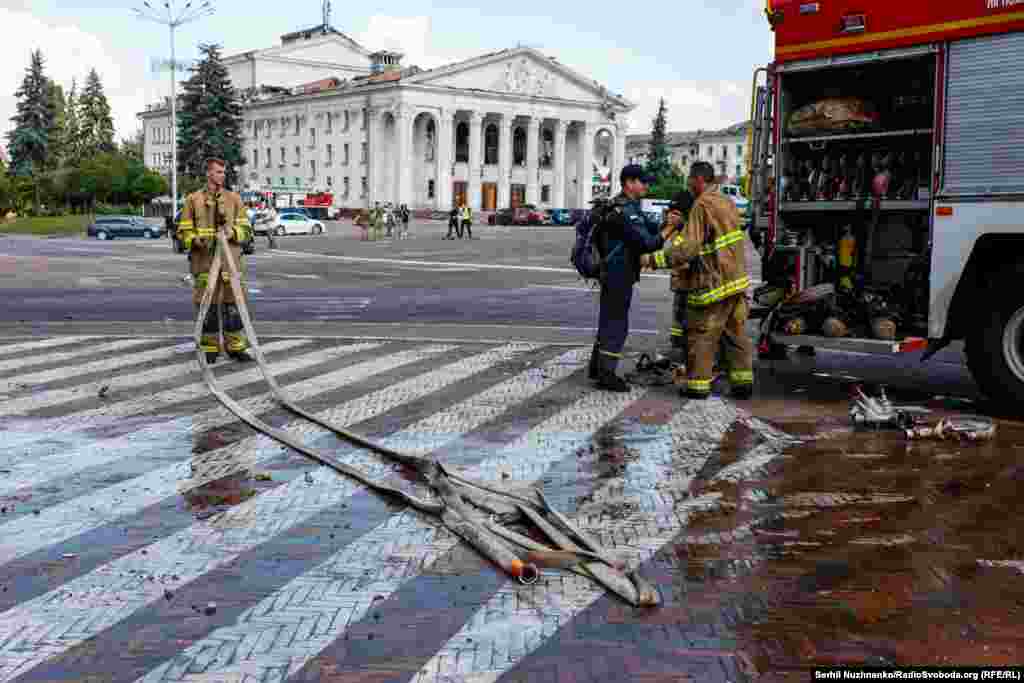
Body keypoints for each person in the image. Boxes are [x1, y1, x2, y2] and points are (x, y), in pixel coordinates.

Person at [641, 162, 754, 400]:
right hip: (737, 282)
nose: (688, 185)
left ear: (698, 180)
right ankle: (743, 383)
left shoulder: (701, 205)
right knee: (734, 335)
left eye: (690, 180)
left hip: (714, 283)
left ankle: (697, 387)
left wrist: (652, 259)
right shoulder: (727, 202)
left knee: (702, 335)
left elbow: (688, 249)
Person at [588, 164, 666, 392]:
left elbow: (650, 228)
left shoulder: (625, 206)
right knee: (616, 323)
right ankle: (606, 375)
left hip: (613, 272)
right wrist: (669, 229)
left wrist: (665, 224)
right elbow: (647, 242)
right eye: (643, 181)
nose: (646, 185)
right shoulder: (624, 211)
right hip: (618, 273)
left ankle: (597, 368)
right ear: (629, 183)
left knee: (608, 320)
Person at [176, 157, 254, 364]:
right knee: (207, 308)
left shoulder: (234, 199)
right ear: (208, 173)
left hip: (230, 263)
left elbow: (247, 230)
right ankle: (210, 348)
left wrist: (233, 233)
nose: (223, 175)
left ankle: (235, 347)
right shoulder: (193, 200)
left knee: (233, 307)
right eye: (219, 171)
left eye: (224, 172)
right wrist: (195, 240)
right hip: (204, 263)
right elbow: (183, 232)